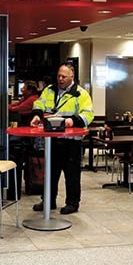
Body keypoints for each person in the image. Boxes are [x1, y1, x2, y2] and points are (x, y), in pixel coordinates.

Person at [30, 64, 94, 215]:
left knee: (71, 174)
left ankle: (72, 203)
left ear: (72, 76)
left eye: (63, 77)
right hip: (51, 139)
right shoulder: (49, 90)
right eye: (59, 76)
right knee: (50, 173)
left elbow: (89, 114)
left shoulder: (80, 94)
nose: (60, 79)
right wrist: (37, 114)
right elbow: (39, 102)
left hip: (71, 140)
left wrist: (73, 120)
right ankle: (48, 201)